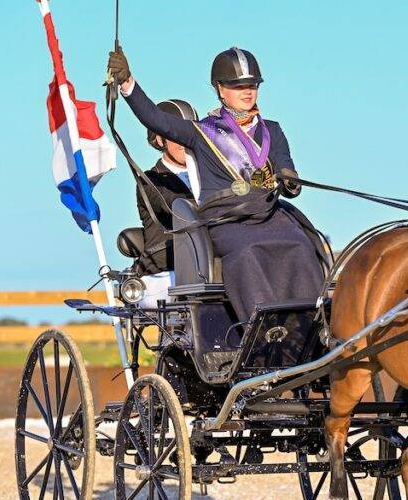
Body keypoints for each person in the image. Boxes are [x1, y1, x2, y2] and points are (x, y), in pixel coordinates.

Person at [107, 46, 325, 321]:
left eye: (252, 85)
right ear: (220, 89)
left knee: (301, 245)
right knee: (246, 252)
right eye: (238, 86)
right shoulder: (202, 132)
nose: (247, 92)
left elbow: (283, 161)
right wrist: (127, 83)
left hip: (269, 212)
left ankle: (311, 322)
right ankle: (262, 325)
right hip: (226, 219)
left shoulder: (272, 130)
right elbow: (155, 118)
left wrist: (289, 177)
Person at [132, 99, 200, 308]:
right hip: (166, 268)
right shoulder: (151, 180)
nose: (184, 141)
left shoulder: (210, 176)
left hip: (206, 265)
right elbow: (178, 206)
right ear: (160, 139)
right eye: (175, 135)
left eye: (188, 133)